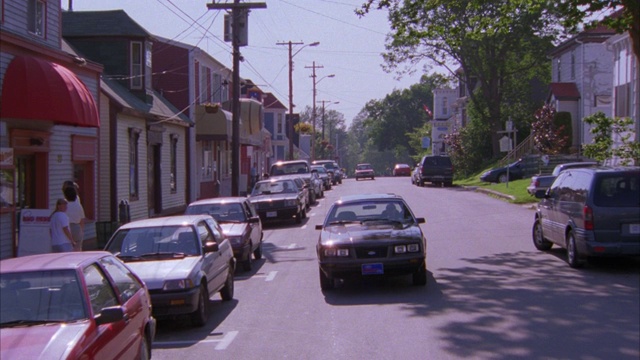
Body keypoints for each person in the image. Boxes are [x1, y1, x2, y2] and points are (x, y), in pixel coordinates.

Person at [63, 184, 86, 251]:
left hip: (66, 227)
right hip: (76, 227)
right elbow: (82, 219)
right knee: (77, 247)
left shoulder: (64, 206)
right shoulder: (78, 206)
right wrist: (81, 230)